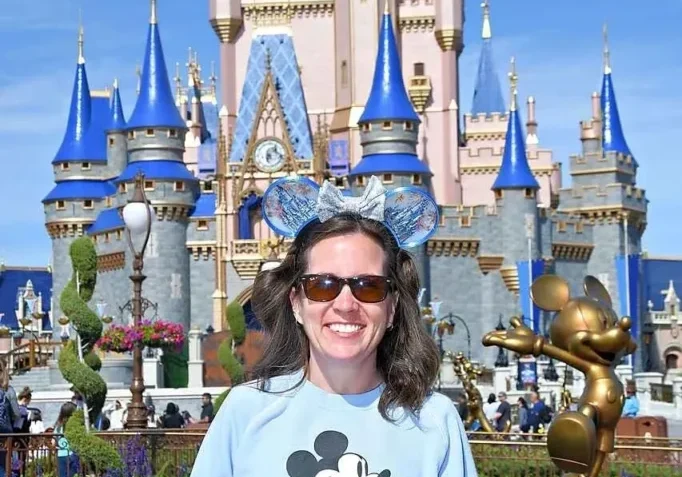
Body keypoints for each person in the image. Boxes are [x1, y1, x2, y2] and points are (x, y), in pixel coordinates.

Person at [191, 176, 476, 476]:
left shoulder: (434, 420)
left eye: (368, 286)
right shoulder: (245, 413)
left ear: (391, 307)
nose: (345, 304)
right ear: (296, 303)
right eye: (322, 285)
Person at [53, 402, 79, 477]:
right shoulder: (75, 425)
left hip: (61, 454)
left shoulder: (58, 425)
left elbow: (54, 441)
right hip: (73, 453)